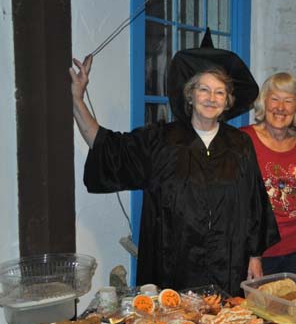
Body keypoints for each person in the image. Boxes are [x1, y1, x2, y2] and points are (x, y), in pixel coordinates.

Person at [69, 53, 280, 296]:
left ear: (228, 101)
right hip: (173, 268)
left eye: (220, 92)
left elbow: (254, 204)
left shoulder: (240, 144)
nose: (211, 98)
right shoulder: (160, 140)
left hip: (228, 267)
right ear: (190, 95)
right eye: (204, 89)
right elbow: (107, 147)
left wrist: (255, 257)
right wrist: (77, 99)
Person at [241, 73, 296, 278]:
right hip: (259, 251)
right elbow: (236, 203)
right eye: (275, 99)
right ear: (264, 102)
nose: (280, 108)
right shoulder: (244, 139)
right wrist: (249, 253)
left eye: (288, 101)